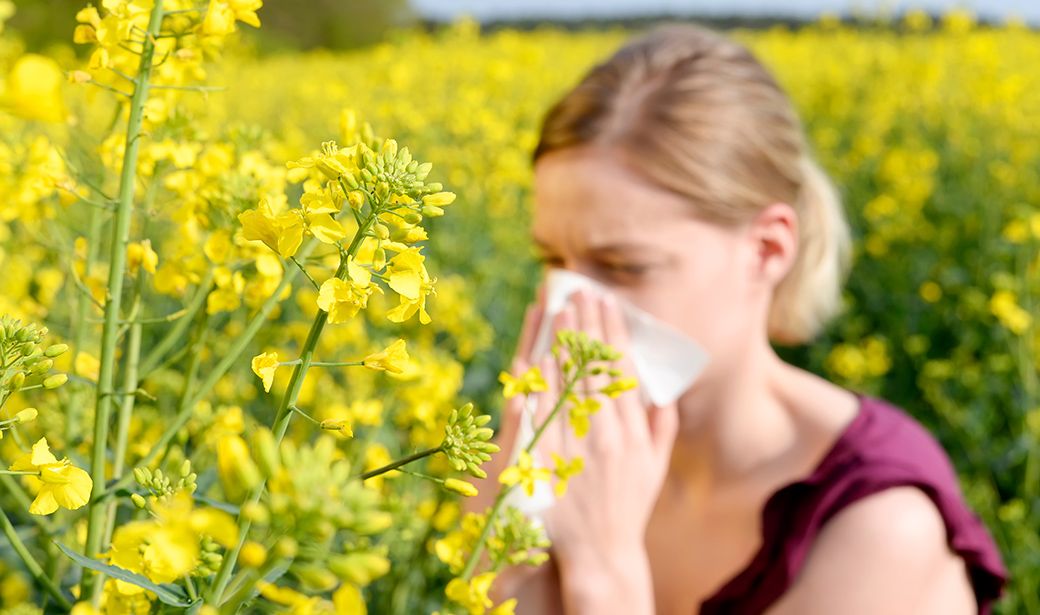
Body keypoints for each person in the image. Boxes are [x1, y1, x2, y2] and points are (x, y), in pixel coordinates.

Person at [465, 22, 1008, 615]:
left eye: (624, 266)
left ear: (767, 251)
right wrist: (514, 552)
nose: (570, 306)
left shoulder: (876, 524)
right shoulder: (581, 454)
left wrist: (603, 570)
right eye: (551, 258)